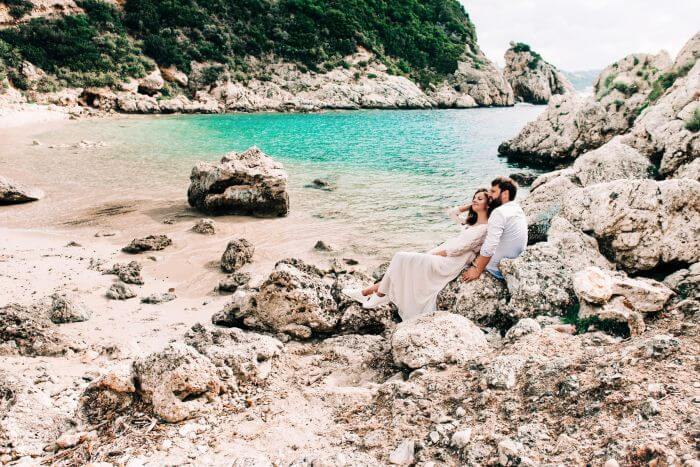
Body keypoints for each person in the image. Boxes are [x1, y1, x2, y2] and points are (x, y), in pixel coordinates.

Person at [342, 188, 492, 321]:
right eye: (474, 197)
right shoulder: (471, 222)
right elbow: (452, 213)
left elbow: (459, 249)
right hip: (444, 255)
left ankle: (378, 295)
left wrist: (434, 254)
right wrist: (470, 205)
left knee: (400, 257)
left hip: (450, 262)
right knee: (401, 269)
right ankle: (367, 293)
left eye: (479, 199)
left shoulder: (484, 228)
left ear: (488, 205)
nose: (474, 200)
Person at [461, 176, 527, 282]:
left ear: (505, 194)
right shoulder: (516, 208)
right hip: (514, 263)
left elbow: (490, 246)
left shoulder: (499, 212)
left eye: (493, 191)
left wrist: (477, 270)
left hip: (496, 268)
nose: (489, 194)